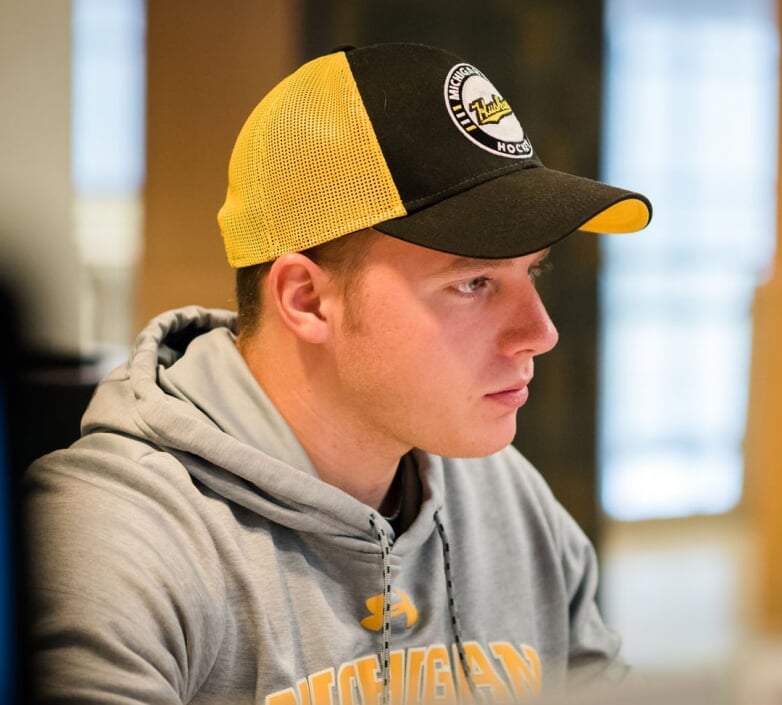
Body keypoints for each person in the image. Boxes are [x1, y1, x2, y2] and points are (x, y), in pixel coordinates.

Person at [25, 42, 651, 705]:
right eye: (474, 282)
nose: (542, 332)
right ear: (305, 299)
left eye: (534, 271)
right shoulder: (114, 541)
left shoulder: (510, 502)